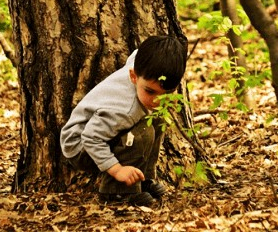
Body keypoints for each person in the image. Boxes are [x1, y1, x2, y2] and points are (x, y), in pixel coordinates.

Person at [60, 35, 187, 206]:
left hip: (101, 131)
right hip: (80, 145)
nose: (157, 100)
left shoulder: (140, 63)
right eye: (150, 91)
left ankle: (142, 178)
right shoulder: (125, 110)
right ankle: (117, 191)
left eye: (167, 92)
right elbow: (91, 138)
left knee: (157, 119)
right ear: (133, 76)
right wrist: (117, 170)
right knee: (144, 132)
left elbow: (136, 54)